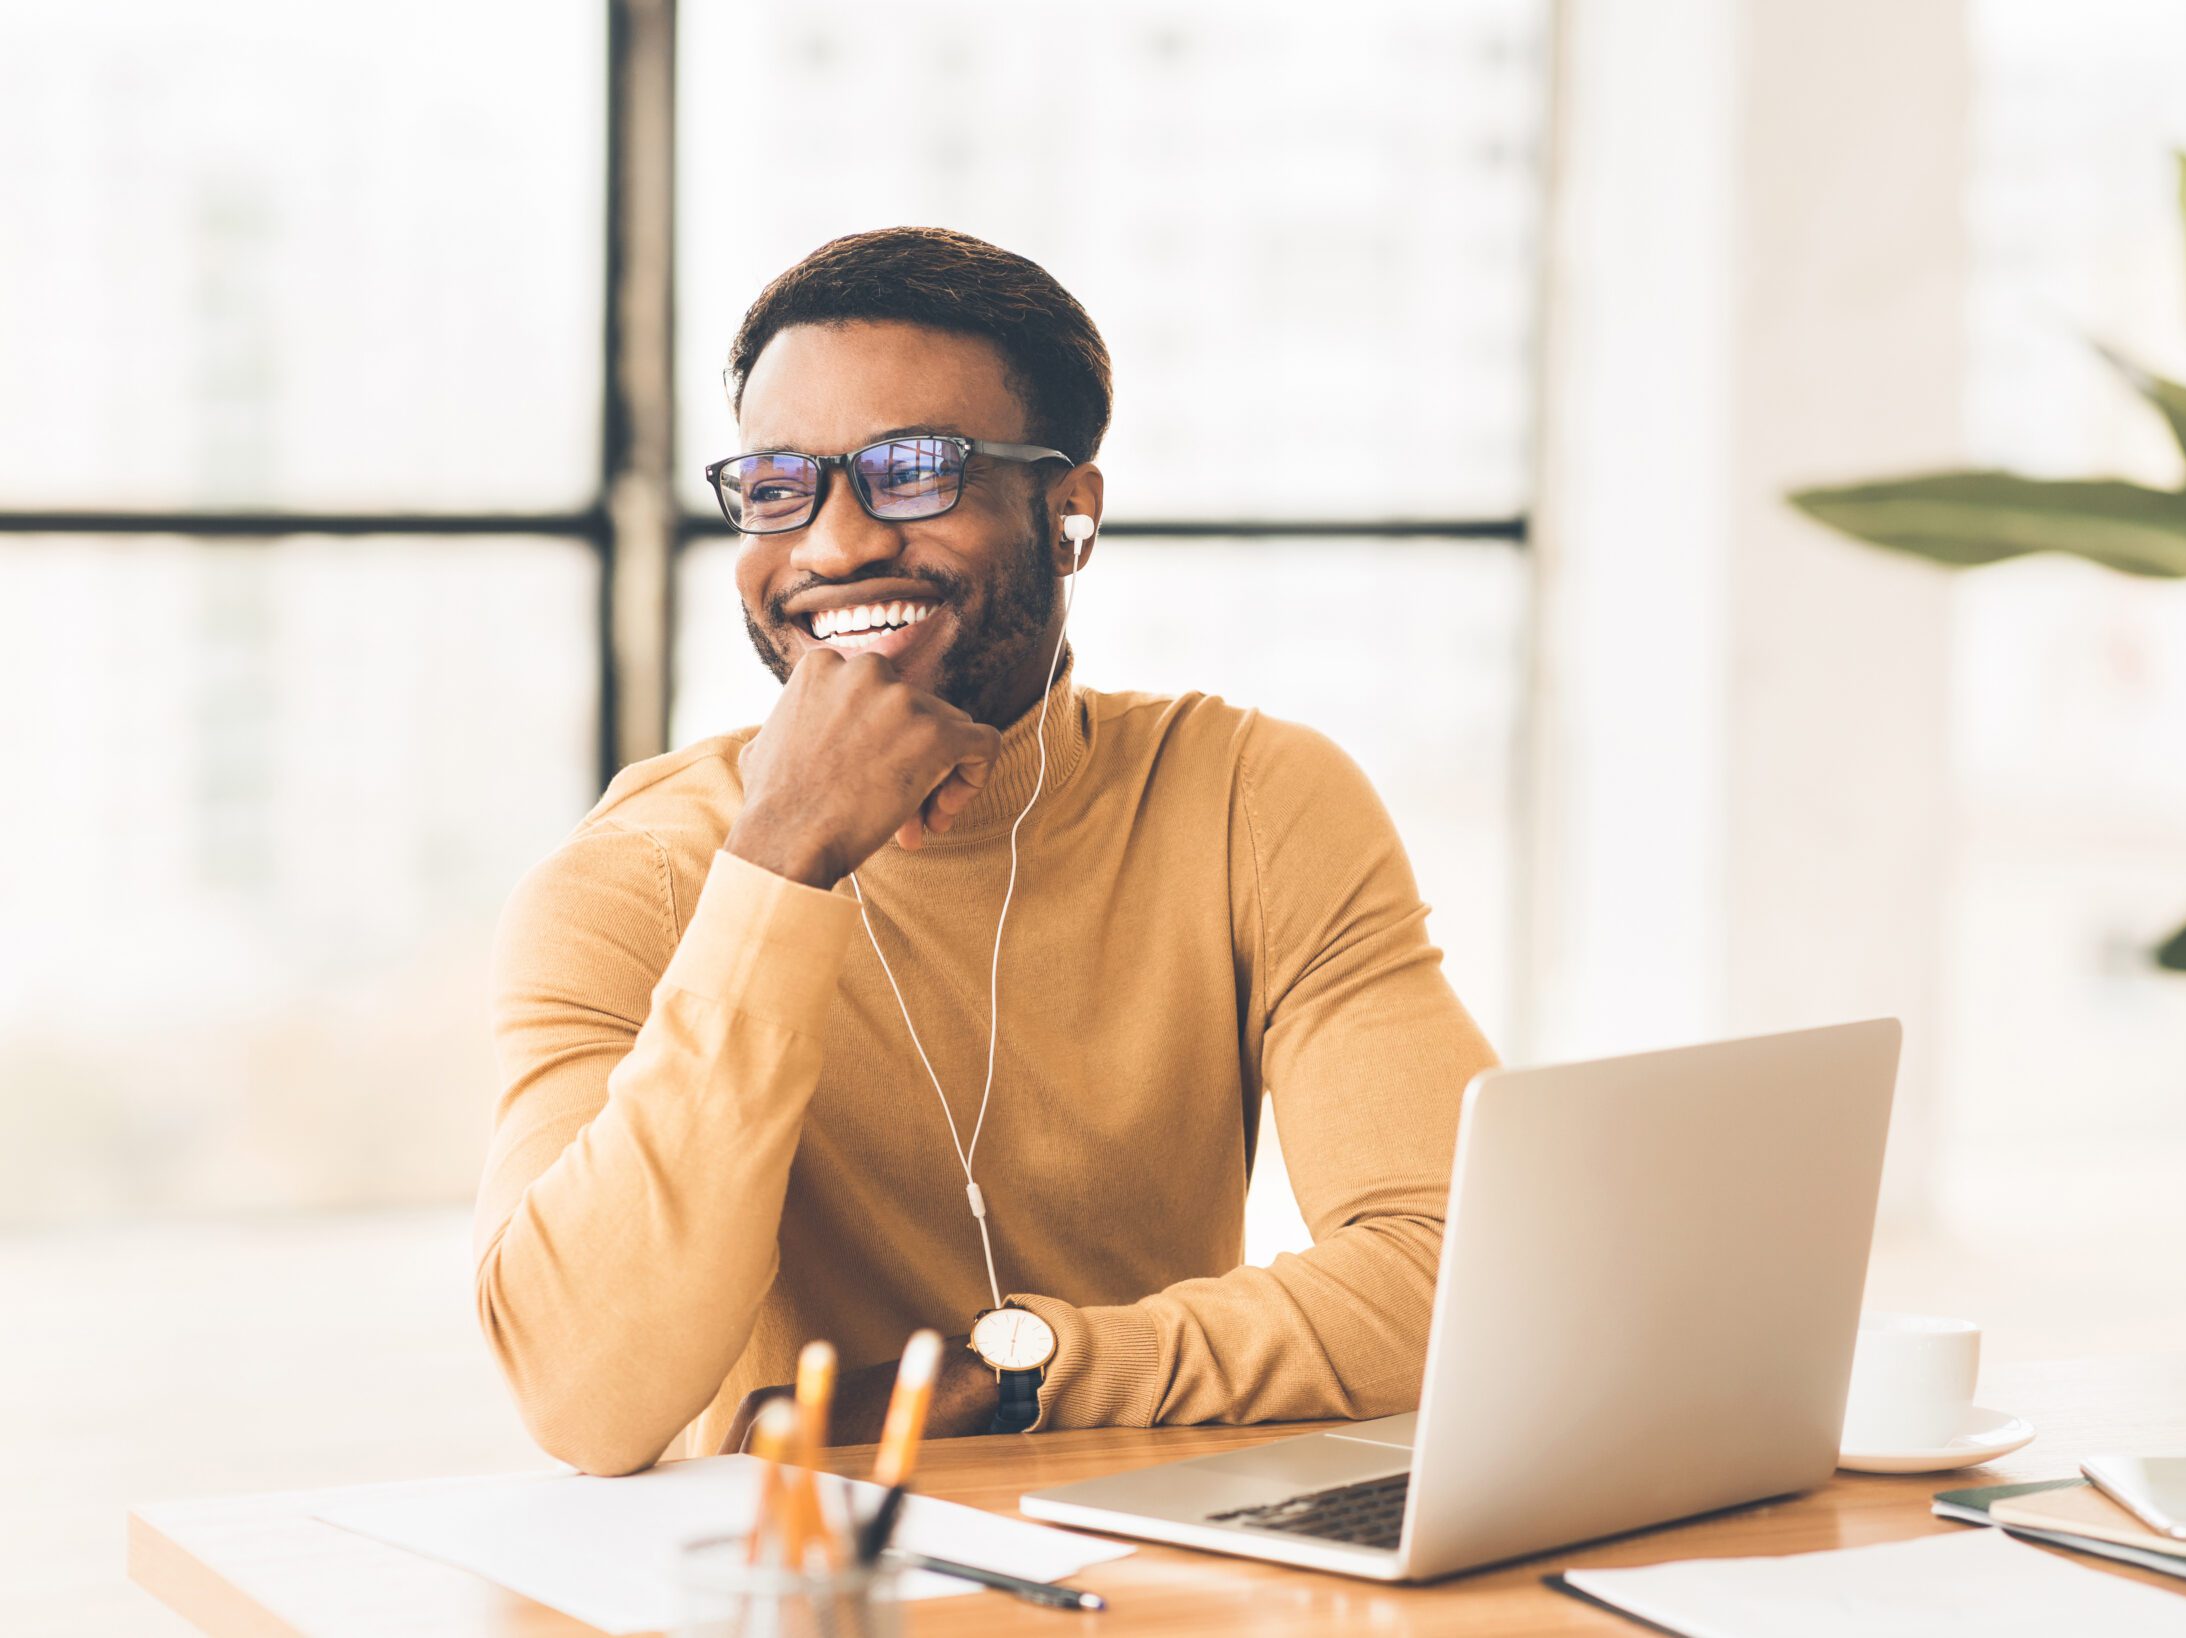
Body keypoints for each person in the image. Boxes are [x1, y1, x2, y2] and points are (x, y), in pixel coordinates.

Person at [473, 226, 1496, 1475]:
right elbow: (584, 1400)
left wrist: (1010, 1380)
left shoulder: (1246, 799)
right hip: (798, 1582)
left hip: (1165, 1566)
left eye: (915, 472)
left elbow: (1462, 1278)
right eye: (780, 484)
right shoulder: (630, 882)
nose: (836, 545)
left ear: (1069, 510)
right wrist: (780, 860)